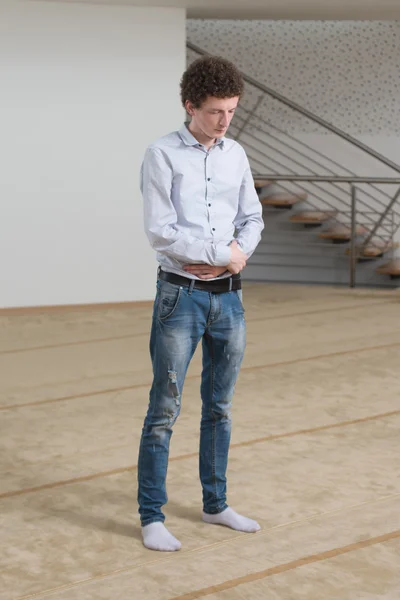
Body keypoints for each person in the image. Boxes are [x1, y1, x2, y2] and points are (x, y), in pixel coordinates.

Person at [137, 55, 264, 552]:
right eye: (215, 111)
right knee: (164, 408)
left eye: (231, 110)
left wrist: (237, 258)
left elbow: (252, 218)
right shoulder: (161, 154)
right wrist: (220, 253)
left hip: (229, 301)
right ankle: (151, 516)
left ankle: (215, 506)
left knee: (221, 408)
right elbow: (160, 232)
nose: (225, 121)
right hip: (180, 299)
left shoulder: (236, 154)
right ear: (190, 105)